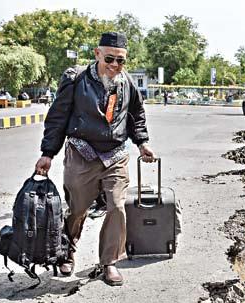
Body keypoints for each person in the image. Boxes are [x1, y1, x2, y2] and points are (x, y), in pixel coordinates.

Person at [35, 31, 156, 287]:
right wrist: (48, 153)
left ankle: (109, 262)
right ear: (97, 54)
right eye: (109, 58)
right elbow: (57, 117)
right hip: (82, 152)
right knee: (77, 209)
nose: (114, 65)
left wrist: (142, 142)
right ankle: (67, 250)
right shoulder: (75, 79)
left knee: (116, 206)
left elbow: (137, 114)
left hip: (115, 155)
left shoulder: (127, 83)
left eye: (120, 60)